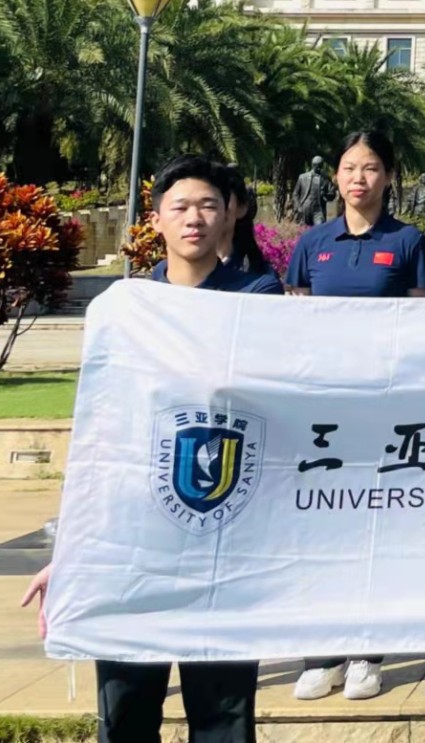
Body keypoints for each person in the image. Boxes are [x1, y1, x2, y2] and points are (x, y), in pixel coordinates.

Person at [20, 155, 281, 743]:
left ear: (230, 216)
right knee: (126, 715)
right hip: (133, 546)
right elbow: (102, 439)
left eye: (208, 205)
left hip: (223, 547)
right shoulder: (126, 310)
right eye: (180, 206)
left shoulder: (257, 300)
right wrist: (73, 552)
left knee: (223, 720)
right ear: (155, 218)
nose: (195, 218)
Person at [285, 130, 425, 702]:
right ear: (336, 176)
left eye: (370, 168)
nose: (358, 178)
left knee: (375, 531)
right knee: (322, 530)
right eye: (349, 167)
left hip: (385, 411)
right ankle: (321, 654)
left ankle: (368, 653)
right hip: (324, 411)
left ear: (388, 177)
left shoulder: (408, 242)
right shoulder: (313, 242)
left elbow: (422, 327)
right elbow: (295, 322)